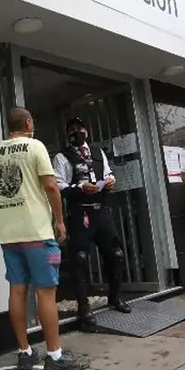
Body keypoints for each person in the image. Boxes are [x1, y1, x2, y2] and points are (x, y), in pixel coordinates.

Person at [0, 108, 90, 370]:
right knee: (45, 292)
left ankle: (25, 352)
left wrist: (8, 214)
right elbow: (51, 186)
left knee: (17, 291)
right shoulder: (35, 146)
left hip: (9, 235)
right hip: (37, 232)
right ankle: (55, 357)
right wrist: (59, 221)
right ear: (29, 123)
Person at [52, 118, 129, 330]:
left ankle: (115, 297)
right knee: (79, 258)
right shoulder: (62, 156)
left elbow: (107, 173)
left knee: (116, 254)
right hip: (79, 213)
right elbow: (58, 184)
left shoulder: (97, 152)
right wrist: (79, 187)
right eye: (72, 130)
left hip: (102, 211)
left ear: (87, 130)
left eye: (80, 128)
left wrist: (111, 180)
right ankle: (84, 308)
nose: (77, 132)